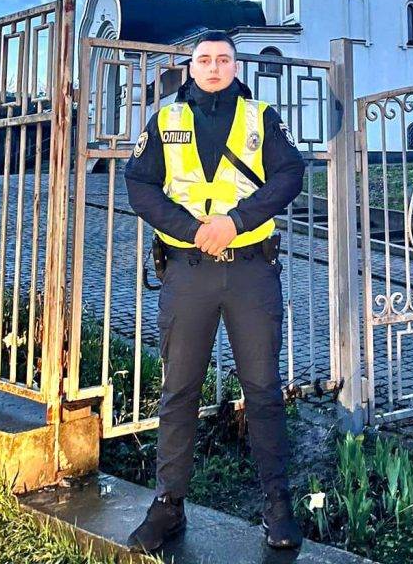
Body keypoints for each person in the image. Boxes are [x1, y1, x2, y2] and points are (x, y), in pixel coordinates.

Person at [123, 30, 305, 552]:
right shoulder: (166, 119)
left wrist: (238, 220)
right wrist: (191, 229)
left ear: (235, 65)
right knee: (179, 390)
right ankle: (167, 507)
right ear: (190, 67)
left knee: (264, 390)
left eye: (223, 59)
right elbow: (140, 185)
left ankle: (278, 508)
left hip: (250, 270)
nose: (214, 66)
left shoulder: (260, 116)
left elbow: (289, 174)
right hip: (188, 270)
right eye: (204, 59)